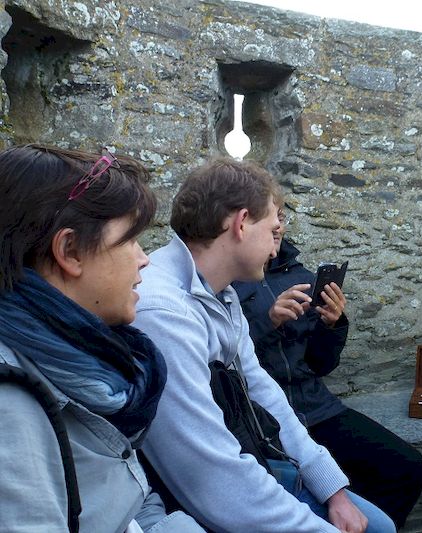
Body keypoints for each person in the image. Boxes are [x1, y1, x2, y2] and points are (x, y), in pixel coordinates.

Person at [133, 158, 396, 533]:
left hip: (249, 460)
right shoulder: (165, 311)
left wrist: (333, 489)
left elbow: (262, 391)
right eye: (273, 229)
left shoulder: (220, 293)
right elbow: (212, 477)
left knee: (379, 525)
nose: (276, 249)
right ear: (241, 223)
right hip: (195, 498)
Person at [0, 144, 202, 532]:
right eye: (130, 240)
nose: (145, 259)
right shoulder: (12, 405)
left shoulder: (84, 356)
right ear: (70, 251)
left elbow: (130, 497)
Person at [233, 206, 422, 528]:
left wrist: (332, 324)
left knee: (408, 467)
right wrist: (268, 322)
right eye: (271, 218)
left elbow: (321, 365)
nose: (278, 225)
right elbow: (231, 364)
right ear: (245, 223)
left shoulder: (303, 277)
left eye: (282, 216)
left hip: (317, 408)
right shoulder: (231, 284)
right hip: (266, 419)